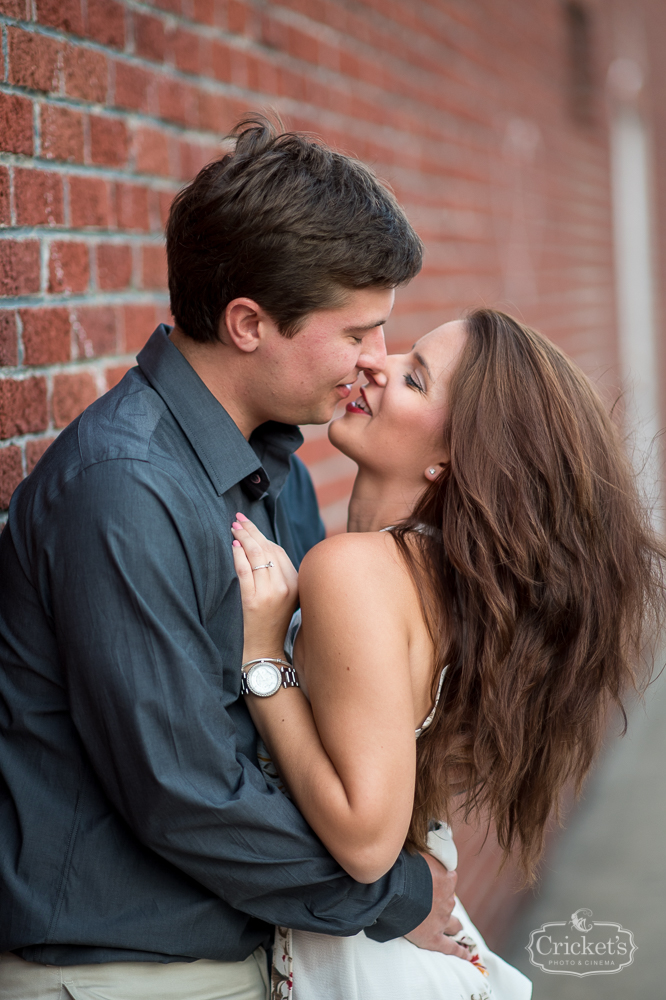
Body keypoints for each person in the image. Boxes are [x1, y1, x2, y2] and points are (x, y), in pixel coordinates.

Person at [0, 119, 463, 1000]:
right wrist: (395, 895)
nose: (376, 362)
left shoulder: (269, 464)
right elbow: (184, 792)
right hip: (124, 974)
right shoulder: (125, 488)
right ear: (249, 322)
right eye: (358, 332)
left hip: (235, 951)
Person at [230, 308, 665, 999]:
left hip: (370, 964)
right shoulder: (439, 583)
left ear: (452, 456)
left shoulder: (355, 569)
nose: (375, 365)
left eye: (415, 378)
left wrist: (262, 659)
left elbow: (367, 843)